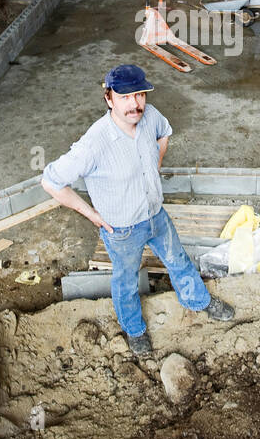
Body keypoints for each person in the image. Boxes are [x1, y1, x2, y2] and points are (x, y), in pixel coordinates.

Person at [40, 63, 234, 358]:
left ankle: (198, 301)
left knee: (177, 259)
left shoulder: (150, 116)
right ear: (109, 99)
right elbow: (51, 181)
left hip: (155, 213)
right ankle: (135, 330)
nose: (135, 104)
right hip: (121, 229)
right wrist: (92, 215)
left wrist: (153, 166)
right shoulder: (94, 144)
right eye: (125, 97)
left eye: (140, 95)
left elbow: (165, 133)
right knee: (126, 280)